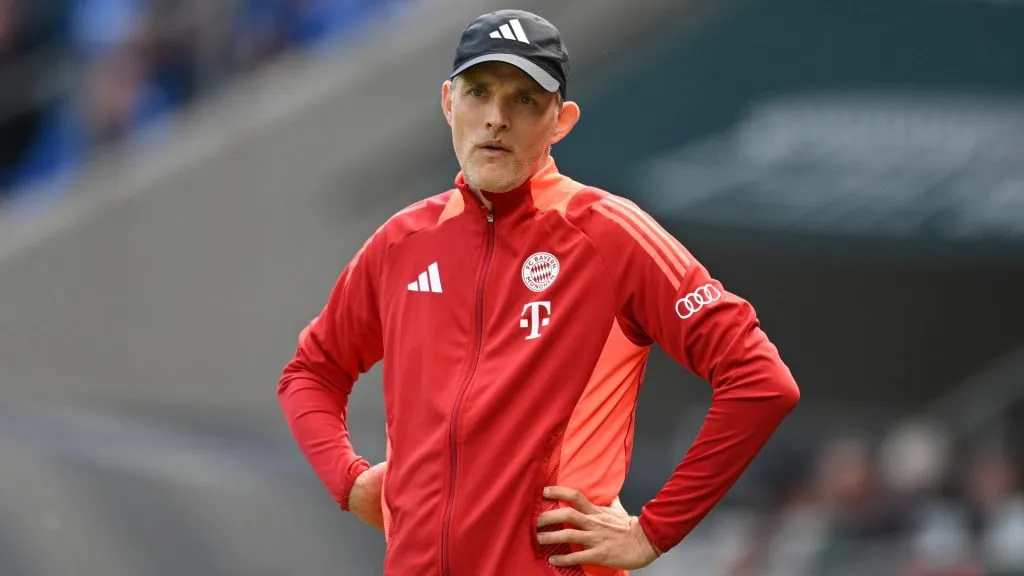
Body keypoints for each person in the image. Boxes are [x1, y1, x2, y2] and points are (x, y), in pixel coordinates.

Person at [277, 8, 800, 575]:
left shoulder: (608, 233)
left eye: (524, 99)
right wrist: (350, 482)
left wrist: (654, 531)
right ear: (449, 103)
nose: (496, 118)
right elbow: (311, 372)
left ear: (562, 120)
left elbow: (759, 381)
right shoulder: (403, 242)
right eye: (479, 92)